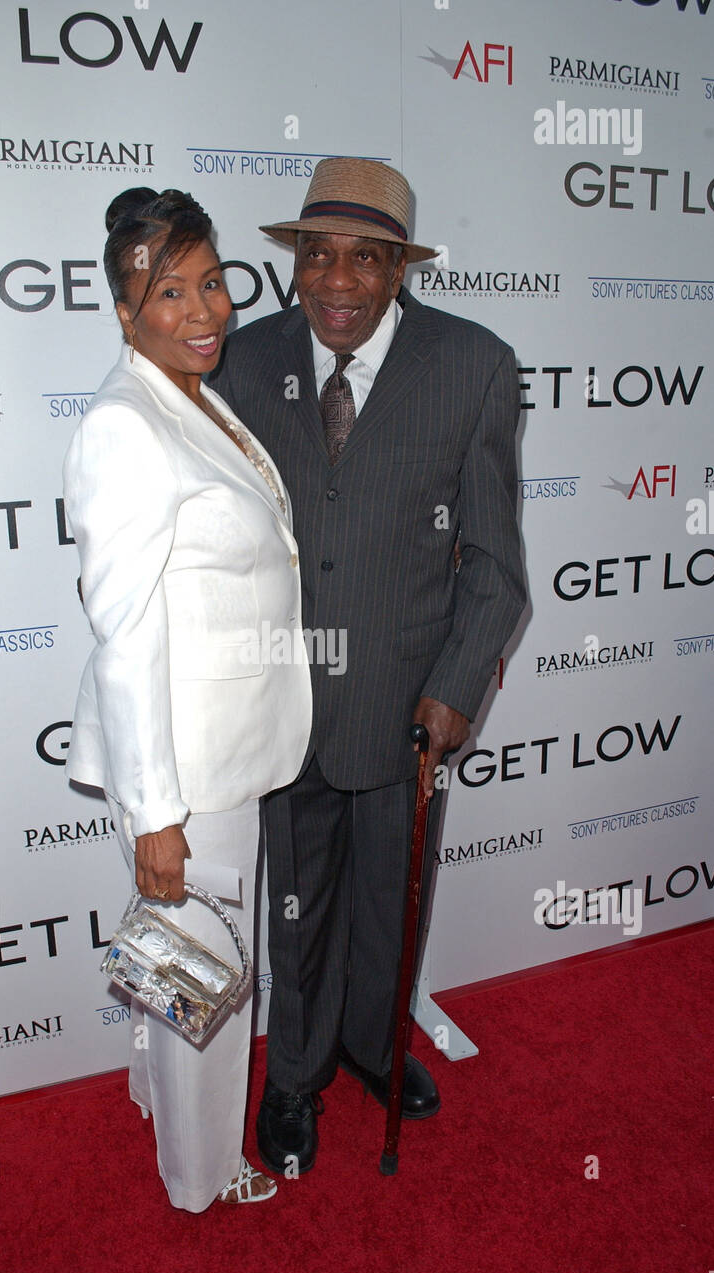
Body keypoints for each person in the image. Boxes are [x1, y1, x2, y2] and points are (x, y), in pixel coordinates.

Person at [210, 158, 526, 1174]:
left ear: (400, 270)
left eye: (367, 257)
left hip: (406, 702)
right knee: (296, 904)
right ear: (295, 260)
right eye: (318, 253)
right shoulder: (240, 361)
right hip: (283, 699)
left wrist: (456, 687)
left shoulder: (473, 363)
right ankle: (294, 1075)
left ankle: (374, 1048)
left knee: (395, 900)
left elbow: (495, 562)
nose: (338, 280)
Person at [63, 187, 312, 1209]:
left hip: (218, 740)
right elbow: (122, 631)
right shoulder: (125, 427)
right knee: (206, 983)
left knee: (178, 961)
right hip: (186, 759)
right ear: (125, 312)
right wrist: (155, 811)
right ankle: (204, 1174)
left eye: (211, 282)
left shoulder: (194, 396)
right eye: (170, 292)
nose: (204, 309)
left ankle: (150, 1093)